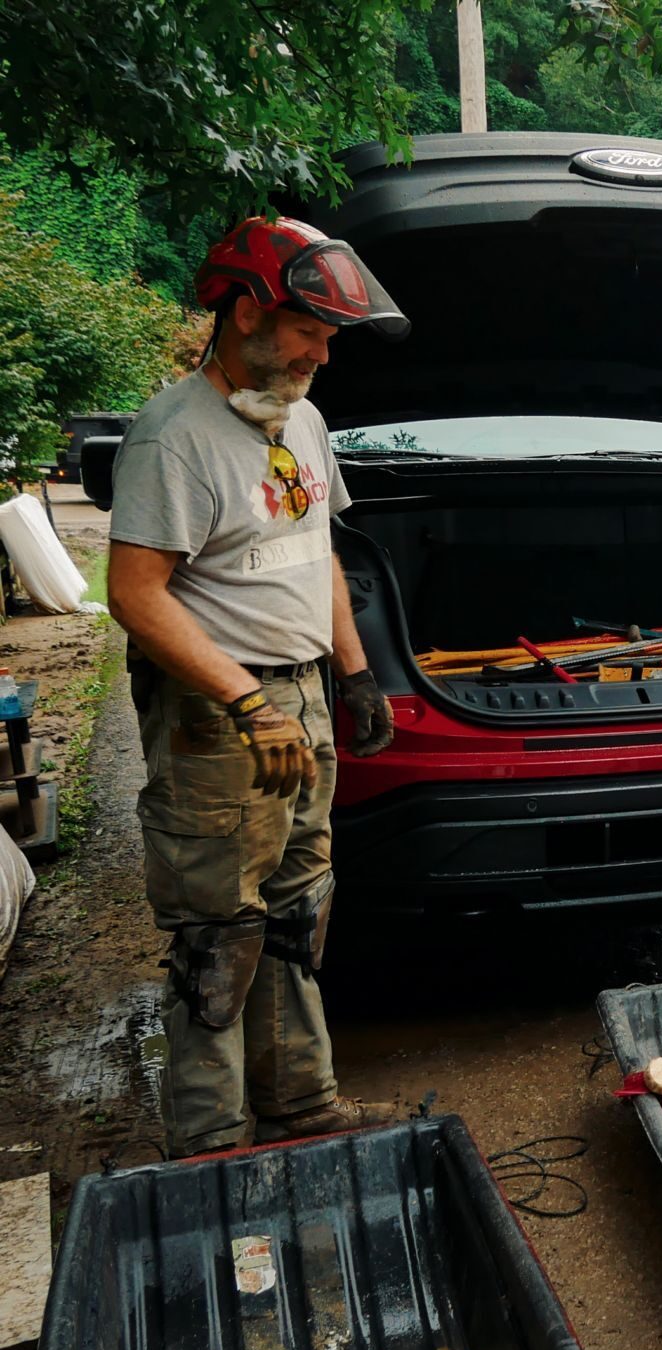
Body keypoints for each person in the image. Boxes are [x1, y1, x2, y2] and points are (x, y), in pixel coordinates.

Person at [107, 216, 409, 1158]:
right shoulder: (174, 436)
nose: (324, 352)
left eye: (329, 335)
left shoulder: (303, 419)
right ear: (245, 312)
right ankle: (210, 1139)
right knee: (219, 935)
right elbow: (135, 595)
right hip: (217, 718)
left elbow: (314, 555)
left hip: (303, 696)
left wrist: (354, 674)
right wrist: (245, 700)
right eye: (310, 329)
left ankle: (300, 1102)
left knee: (296, 911)